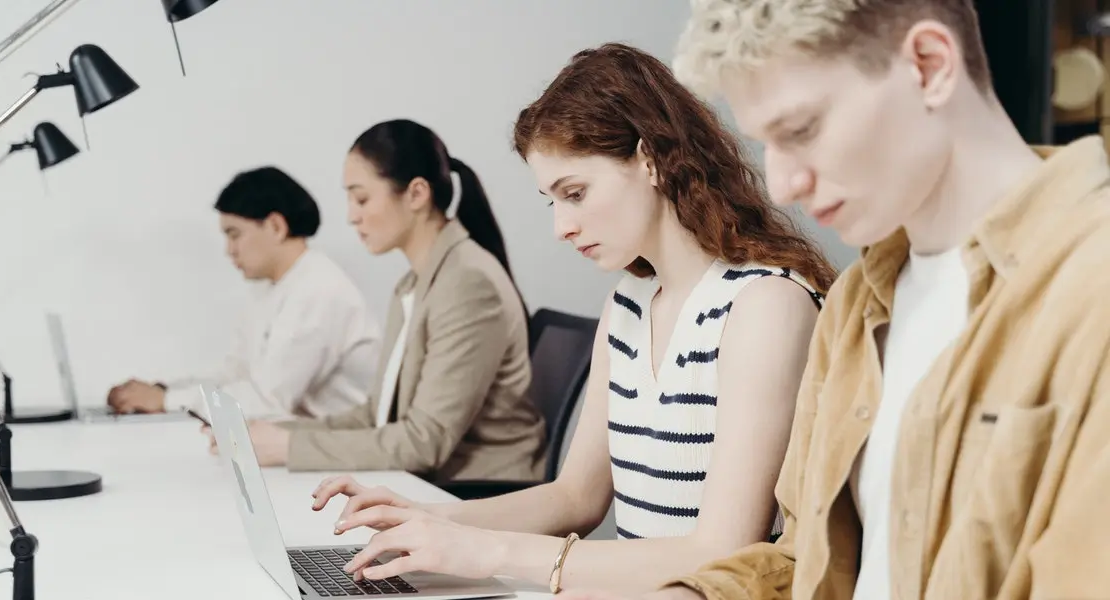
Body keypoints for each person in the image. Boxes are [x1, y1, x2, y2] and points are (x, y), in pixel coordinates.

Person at [556, 2, 1110, 600]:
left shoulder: (1088, 292)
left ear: (928, 65)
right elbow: (805, 561)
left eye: (802, 130)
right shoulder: (854, 304)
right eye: (766, 143)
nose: (784, 182)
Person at [308, 44, 837, 595]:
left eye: (576, 193)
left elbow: (722, 551)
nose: (562, 226)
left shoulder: (764, 304)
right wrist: (427, 519)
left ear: (650, 159)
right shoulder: (629, 304)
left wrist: (494, 550)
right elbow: (576, 497)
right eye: (551, 201)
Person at [218, 119, 547, 482]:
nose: (351, 215)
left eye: (361, 198)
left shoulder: (468, 284)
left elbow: (425, 442)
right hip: (435, 481)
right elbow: (377, 413)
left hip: (479, 490)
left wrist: (286, 448)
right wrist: (281, 434)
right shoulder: (414, 283)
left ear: (416, 194)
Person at [106, 166, 379, 419]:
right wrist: (163, 390)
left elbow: (267, 402)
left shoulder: (319, 291)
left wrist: (166, 400)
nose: (229, 250)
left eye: (234, 234)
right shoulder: (274, 288)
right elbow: (237, 375)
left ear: (275, 226)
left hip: (350, 461)